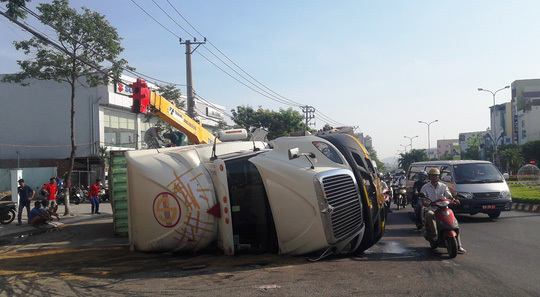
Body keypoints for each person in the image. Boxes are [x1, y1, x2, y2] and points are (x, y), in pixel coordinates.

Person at [420, 168, 466, 253]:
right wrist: (425, 202)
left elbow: (449, 196)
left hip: (444, 208)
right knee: (429, 214)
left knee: (454, 222)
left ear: (439, 176)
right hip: (432, 208)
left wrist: (454, 200)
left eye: (436, 176)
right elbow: (423, 199)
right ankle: (435, 235)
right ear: (429, 177)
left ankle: (459, 245)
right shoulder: (425, 187)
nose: (434, 177)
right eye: (433, 176)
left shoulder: (443, 186)